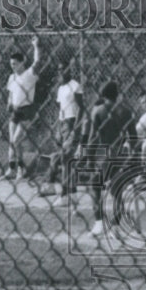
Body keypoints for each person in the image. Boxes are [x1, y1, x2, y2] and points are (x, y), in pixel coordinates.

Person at [81, 81, 137, 237]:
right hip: (121, 154)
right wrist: (133, 157)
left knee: (95, 185)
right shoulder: (126, 112)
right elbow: (133, 138)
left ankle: (99, 223)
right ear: (117, 94)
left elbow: (92, 138)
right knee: (117, 189)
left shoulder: (98, 111)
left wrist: (89, 159)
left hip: (104, 154)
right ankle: (117, 226)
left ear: (102, 95)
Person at [40, 60, 84, 204]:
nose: (61, 72)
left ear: (69, 71)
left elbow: (81, 108)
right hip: (63, 124)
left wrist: (74, 130)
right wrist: (58, 129)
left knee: (65, 159)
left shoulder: (75, 86)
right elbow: (61, 109)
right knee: (59, 158)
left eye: (63, 69)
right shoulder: (60, 89)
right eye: (59, 70)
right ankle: (68, 192)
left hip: (72, 124)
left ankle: (65, 195)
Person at [5, 35, 40, 181]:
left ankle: (19, 168)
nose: (13, 66)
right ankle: (14, 168)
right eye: (11, 64)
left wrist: (36, 46)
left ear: (21, 63)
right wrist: (9, 103)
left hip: (26, 111)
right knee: (13, 141)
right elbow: (11, 93)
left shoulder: (29, 75)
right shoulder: (12, 77)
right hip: (15, 111)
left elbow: (37, 61)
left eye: (15, 64)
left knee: (15, 141)